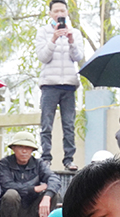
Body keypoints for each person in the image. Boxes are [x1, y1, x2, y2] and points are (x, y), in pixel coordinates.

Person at [35, 0, 83, 172]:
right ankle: (46, 158)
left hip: (69, 84)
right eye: (56, 11)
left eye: (62, 10)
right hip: (49, 84)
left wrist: (71, 41)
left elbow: (78, 56)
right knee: (46, 123)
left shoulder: (75, 32)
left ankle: (69, 159)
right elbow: (43, 57)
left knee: (68, 124)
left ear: (67, 13)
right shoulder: (43, 32)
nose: (59, 14)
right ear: (50, 14)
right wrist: (53, 38)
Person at [0, 131, 61, 217]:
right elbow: (7, 185)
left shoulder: (39, 164)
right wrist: (33, 189)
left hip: (33, 210)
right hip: (11, 211)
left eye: (28, 147)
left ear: (32, 150)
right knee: (11, 194)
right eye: (20, 147)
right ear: (13, 148)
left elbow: (54, 178)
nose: (24, 151)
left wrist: (46, 197)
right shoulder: (5, 163)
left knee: (54, 195)